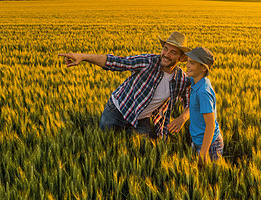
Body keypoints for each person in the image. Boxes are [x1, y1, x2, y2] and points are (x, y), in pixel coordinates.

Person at [58, 32, 192, 138]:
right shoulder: (148, 62)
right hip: (117, 110)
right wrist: (83, 57)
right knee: (105, 144)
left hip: (141, 118)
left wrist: (183, 118)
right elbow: (117, 62)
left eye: (173, 52)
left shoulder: (182, 79)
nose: (166, 54)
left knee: (145, 153)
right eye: (165, 49)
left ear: (181, 58)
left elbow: (192, 101)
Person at [185, 47, 223, 165]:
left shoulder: (203, 93)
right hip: (199, 139)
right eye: (187, 61)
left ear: (203, 68)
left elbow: (210, 125)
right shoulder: (199, 82)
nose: (187, 65)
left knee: (207, 177)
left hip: (209, 144)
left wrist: (203, 152)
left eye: (192, 63)